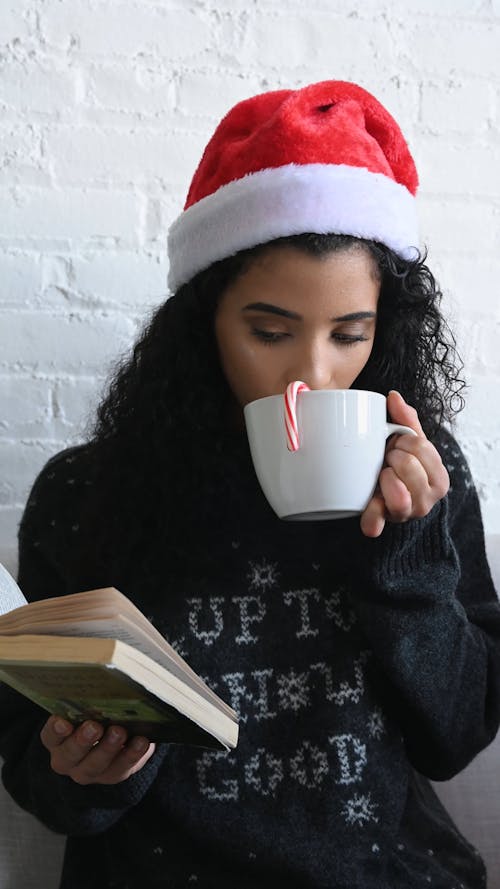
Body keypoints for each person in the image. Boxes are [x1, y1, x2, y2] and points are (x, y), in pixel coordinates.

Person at [1, 79, 499, 889]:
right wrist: (88, 771)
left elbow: (455, 736)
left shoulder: (423, 473)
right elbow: (38, 771)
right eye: (269, 331)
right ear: (204, 323)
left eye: (350, 335)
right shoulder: (88, 491)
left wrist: (404, 553)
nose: (312, 374)